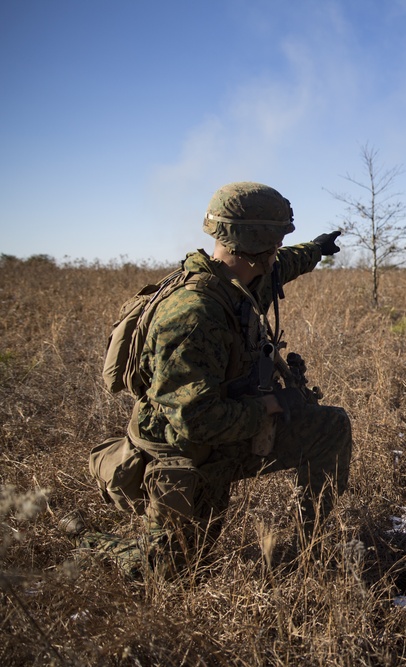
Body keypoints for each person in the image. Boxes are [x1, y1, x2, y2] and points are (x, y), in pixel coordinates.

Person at [74, 181, 352, 577]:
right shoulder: (193, 315)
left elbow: (284, 263)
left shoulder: (243, 276)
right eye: (275, 241)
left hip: (226, 429)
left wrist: (317, 249)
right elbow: (197, 420)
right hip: (186, 453)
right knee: (169, 572)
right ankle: (86, 539)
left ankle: (314, 554)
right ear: (258, 242)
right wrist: (274, 404)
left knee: (331, 426)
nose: (278, 251)